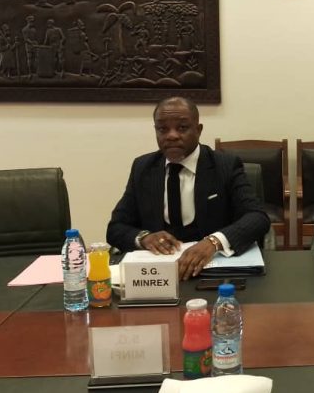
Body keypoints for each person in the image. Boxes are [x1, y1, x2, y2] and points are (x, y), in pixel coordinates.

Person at [107, 97, 270, 280]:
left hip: (212, 274)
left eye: (182, 128)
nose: (172, 135)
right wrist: (144, 237)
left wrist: (213, 242)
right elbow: (116, 227)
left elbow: (257, 217)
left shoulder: (225, 165)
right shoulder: (143, 168)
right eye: (162, 129)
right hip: (159, 277)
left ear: (198, 130)